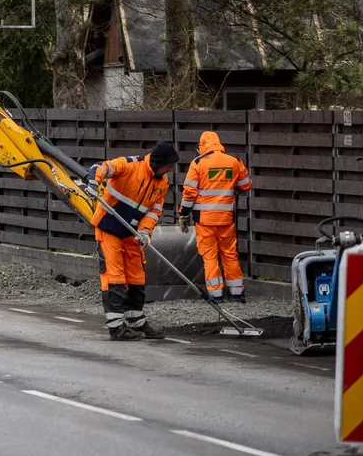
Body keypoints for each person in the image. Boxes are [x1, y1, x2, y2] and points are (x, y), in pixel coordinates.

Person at [87, 141, 179, 341]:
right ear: (159, 162)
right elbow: (101, 167)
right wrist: (93, 183)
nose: (170, 170)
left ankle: (136, 320)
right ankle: (116, 327)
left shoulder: (162, 183)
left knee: (136, 276)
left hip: (132, 233)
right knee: (115, 276)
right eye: (168, 166)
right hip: (109, 228)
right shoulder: (130, 165)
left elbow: (155, 211)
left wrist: (145, 231)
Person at [178, 131, 252, 303]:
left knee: (210, 256)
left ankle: (216, 294)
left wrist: (183, 214)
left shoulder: (198, 163)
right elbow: (246, 185)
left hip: (205, 220)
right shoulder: (234, 161)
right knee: (230, 254)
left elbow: (189, 193)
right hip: (226, 218)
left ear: (201, 146)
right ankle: (237, 292)